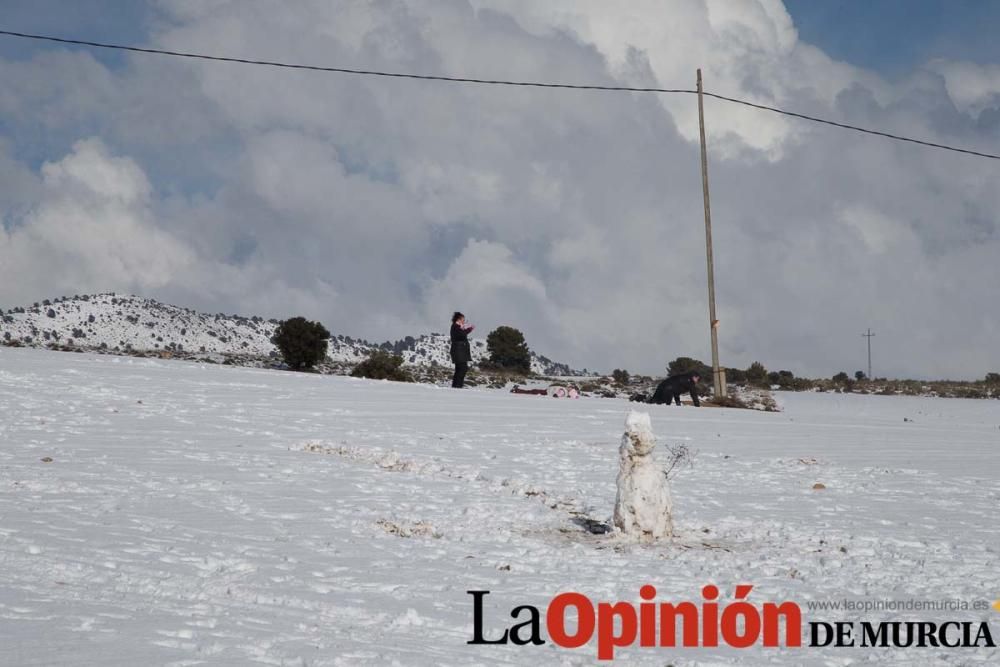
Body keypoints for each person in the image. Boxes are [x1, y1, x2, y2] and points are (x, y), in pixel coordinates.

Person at [449, 312, 474, 388]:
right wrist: (469, 329)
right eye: (463, 319)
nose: (464, 321)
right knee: (462, 368)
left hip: (459, 351)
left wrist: (464, 328)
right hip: (458, 351)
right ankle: (458, 386)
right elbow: (462, 335)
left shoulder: (457, 327)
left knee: (459, 369)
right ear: (458, 319)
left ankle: (456, 386)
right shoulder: (455, 326)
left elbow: (461, 334)